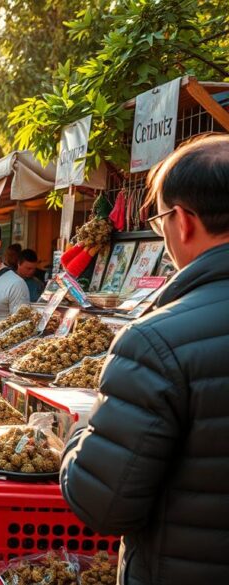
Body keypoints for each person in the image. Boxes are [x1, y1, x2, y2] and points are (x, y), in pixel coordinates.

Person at [62, 135, 229, 585]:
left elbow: (102, 503)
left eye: (158, 222)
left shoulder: (157, 341)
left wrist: (82, 429)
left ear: (183, 221)